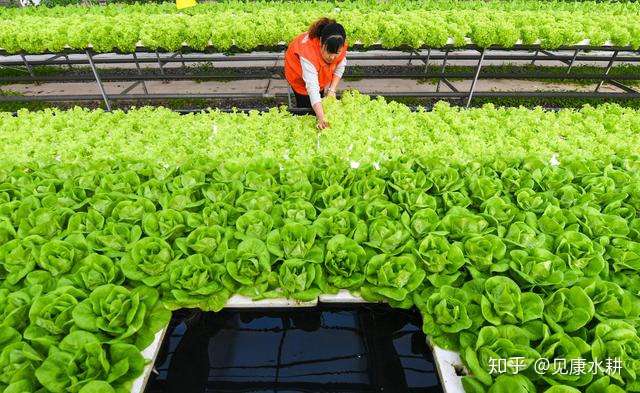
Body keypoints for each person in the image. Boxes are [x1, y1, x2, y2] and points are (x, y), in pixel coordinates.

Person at [284, 18, 348, 130]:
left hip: (318, 73)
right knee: (306, 105)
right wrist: (321, 117)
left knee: (319, 99)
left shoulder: (338, 44)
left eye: (336, 53)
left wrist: (332, 90)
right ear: (321, 44)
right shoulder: (308, 53)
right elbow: (312, 87)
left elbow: (340, 66)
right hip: (298, 76)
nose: (332, 57)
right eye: (329, 53)